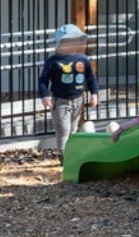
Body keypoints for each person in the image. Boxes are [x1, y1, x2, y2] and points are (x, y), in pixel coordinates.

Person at [39, 24, 98, 157]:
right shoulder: (53, 61)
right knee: (63, 130)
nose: (74, 43)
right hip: (60, 100)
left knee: (73, 129)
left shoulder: (83, 59)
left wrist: (94, 93)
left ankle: (72, 154)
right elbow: (43, 80)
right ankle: (64, 156)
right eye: (70, 41)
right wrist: (44, 96)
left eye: (76, 40)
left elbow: (90, 78)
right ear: (60, 43)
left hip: (78, 99)